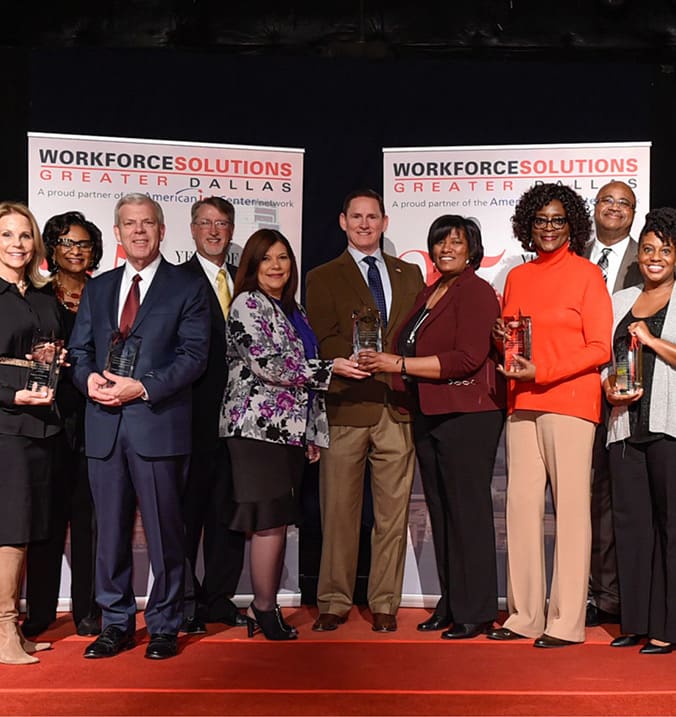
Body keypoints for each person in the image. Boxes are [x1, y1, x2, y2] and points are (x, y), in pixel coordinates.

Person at [68, 193, 210, 660]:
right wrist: (87, 379)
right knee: (108, 532)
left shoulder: (186, 287)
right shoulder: (98, 288)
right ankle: (115, 623)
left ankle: (166, 625)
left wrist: (142, 387)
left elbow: (194, 357)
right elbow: (81, 351)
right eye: (130, 224)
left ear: (162, 230)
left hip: (157, 425)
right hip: (104, 426)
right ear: (118, 233)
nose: (139, 232)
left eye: (148, 223)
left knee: (166, 532)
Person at [358, 215, 505, 639]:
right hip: (431, 412)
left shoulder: (475, 291)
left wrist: (397, 364)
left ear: (471, 248)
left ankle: (476, 612)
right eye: (439, 242)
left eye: (456, 243)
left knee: (468, 513)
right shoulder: (432, 291)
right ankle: (452, 603)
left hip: (468, 414)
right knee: (441, 513)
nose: (446, 249)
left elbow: (467, 358)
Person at [220, 228, 366, 640]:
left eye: (283, 258)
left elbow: (304, 377)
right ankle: (263, 609)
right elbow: (270, 366)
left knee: (278, 522)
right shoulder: (248, 304)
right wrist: (333, 367)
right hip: (255, 430)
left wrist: (314, 434)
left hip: (288, 433)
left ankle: (259, 609)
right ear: (252, 265)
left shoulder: (294, 310)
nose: (276, 266)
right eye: (266, 259)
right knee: (267, 522)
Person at [488, 183, 612, 647]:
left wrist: (546, 370)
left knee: (572, 513)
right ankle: (523, 616)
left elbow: (599, 347)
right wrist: (504, 340)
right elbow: (520, 344)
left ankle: (565, 622)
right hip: (523, 403)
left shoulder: (587, 276)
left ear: (572, 225)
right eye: (540, 220)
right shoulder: (518, 277)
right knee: (519, 510)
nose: (548, 229)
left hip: (572, 404)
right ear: (528, 225)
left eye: (558, 220)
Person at [306, 188, 424, 633]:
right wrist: (354, 361)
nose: (364, 224)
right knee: (338, 512)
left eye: (372, 217)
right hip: (346, 406)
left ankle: (385, 602)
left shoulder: (409, 273)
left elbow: (414, 335)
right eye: (356, 217)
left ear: (385, 222)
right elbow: (321, 335)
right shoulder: (322, 276)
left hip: (396, 408)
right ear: (342, 222)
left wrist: (396, 366)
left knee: (393, 516)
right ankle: (333, 601)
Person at [22, 211, 103, 639]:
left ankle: (88, 610)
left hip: (95, 419)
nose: (76, 251)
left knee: (89, 518)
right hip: (47, 417)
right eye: (67, 243)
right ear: (51, 249)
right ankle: (39, 611)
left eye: (84, 244)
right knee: (45, 519)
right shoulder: (37, 296)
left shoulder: (105, 293)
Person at [603, 207, 676, 654]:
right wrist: (609, 388)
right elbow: (603, 362)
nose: (654, 257)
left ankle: (668, 625)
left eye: (665, 250)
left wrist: (651, 340)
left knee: (672, 528)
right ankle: (635, 621)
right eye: (647, 248)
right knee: (630, 527)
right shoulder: (619, 299)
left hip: (669, 428)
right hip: (625, 427)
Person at [0, 201, 63, 664]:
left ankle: (13, 628)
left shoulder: (44, 297)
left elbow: (45, 355)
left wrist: (54, 362)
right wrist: (10, 394)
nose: (17, 244)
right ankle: (2, 631)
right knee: (10, 528)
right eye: (6, 235)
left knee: (26, 528)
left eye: (24, 236)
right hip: (6, 425)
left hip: (42, 425)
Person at [179, 197, 245, 634]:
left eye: (222, 223)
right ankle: (183, 601)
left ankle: (219, 599)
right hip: (189, 417)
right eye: (205, 223)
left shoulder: (247, 282)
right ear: (192, 229)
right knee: (185, 514)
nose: (214, 231)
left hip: (240, 420)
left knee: (229, 514)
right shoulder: (174, 281)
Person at [583, 181, 642, 628]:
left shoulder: (651, 258)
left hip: (631, 394)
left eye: (625, 203)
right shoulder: (569, 253)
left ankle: (618, 596)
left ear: (633, 212)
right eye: (608, 200)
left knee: (621, 499)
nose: (615, 208)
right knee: (585, 496)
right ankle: (587, 591)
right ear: (595, 206)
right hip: (576, 388)